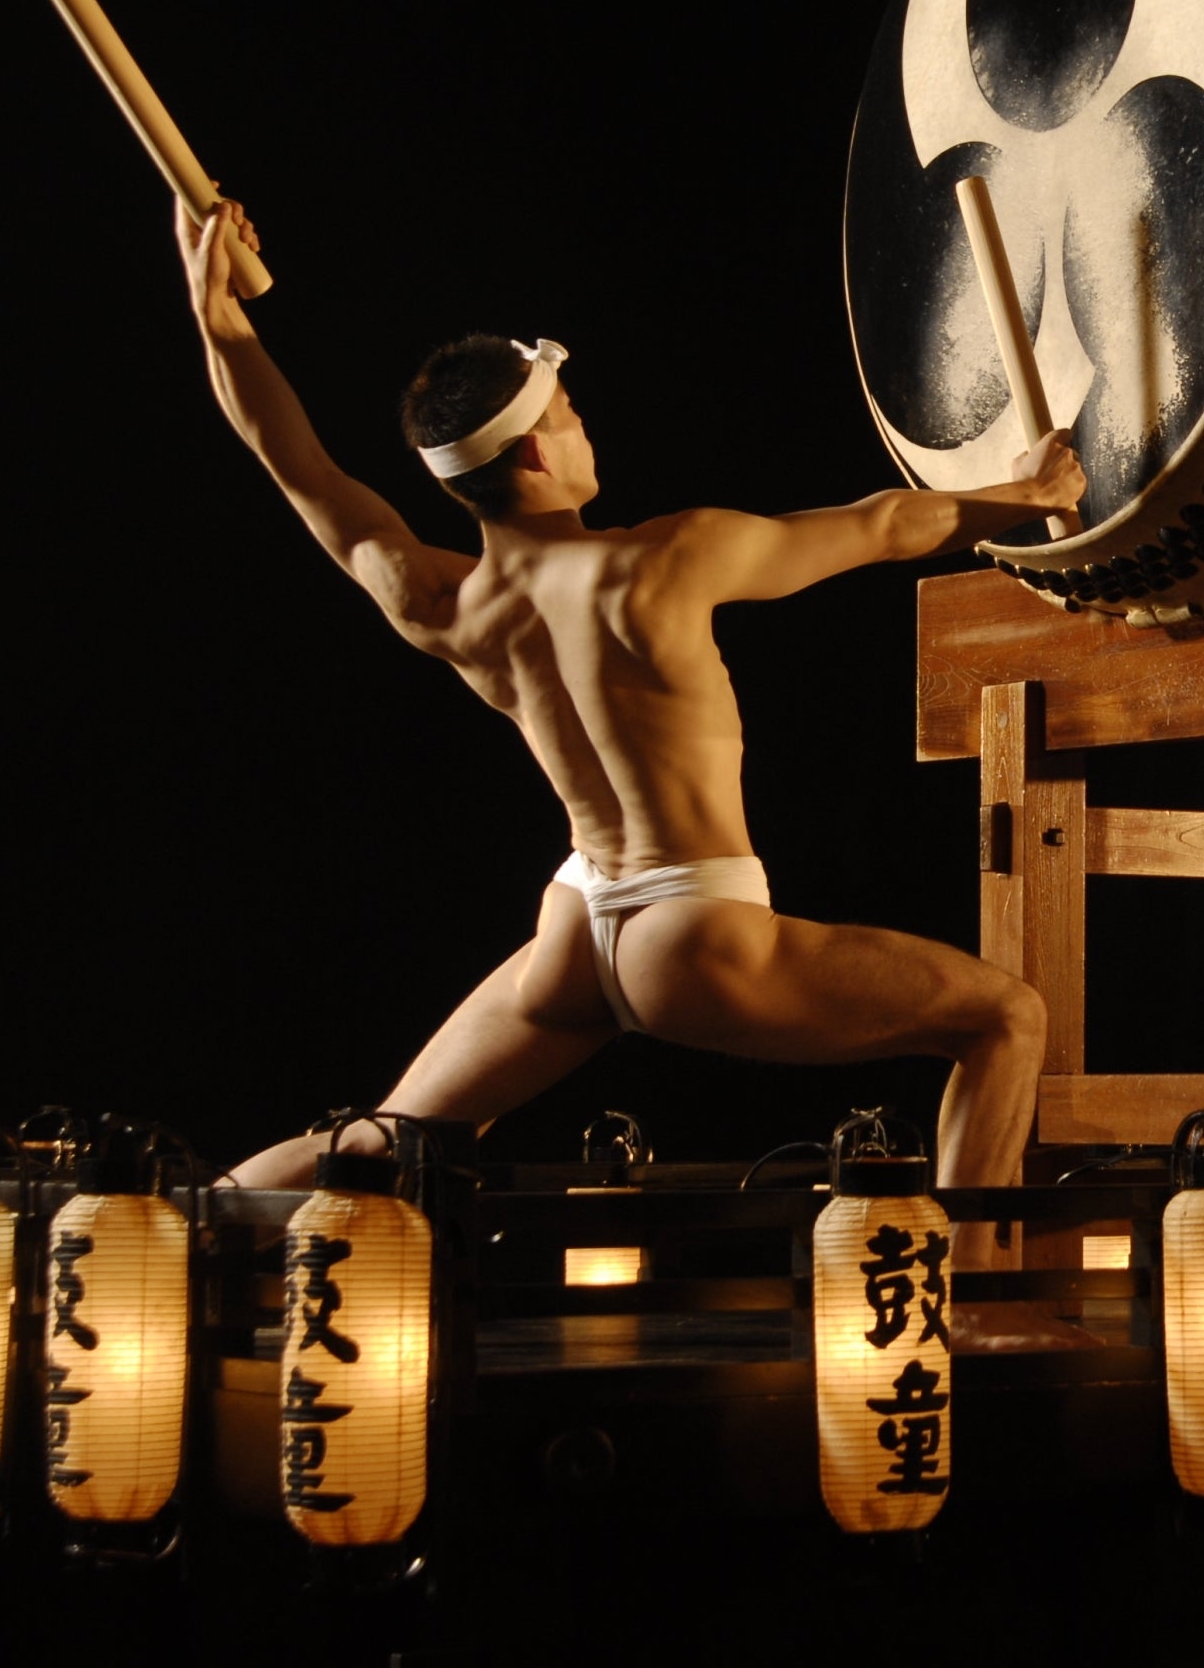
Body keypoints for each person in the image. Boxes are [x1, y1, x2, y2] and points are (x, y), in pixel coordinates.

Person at [181, 199, 1083, 1244]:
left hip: (578, 922)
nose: (582, 426)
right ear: (529, 458)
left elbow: (295, 463)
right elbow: (885, 524)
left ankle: (172, 1232)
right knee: (1002, 1017)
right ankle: (965, 1306)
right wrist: (1030, 490)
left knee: (387, 1135)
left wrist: (220, 324)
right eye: (565, 416)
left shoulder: (443, 601)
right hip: (693, 932)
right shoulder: (661, 562)